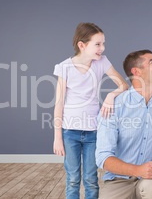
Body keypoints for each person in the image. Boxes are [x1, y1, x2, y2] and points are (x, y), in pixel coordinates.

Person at [53, 22, 128, 199]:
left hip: (94, 131)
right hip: (70, 131)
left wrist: (111, 95)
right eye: (98, 44)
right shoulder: (65, 67)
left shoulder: (102, 62)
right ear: (82, 45)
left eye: (103, 43)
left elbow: (123, 85)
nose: (102, 48)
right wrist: (57, 137)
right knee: (72, 179)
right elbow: (59, 103)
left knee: (91, 178)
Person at [95, 49, 152, 199]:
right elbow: (103, 157)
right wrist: (138, 170)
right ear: (136, 72)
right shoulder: (114, 106)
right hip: (118, 180)